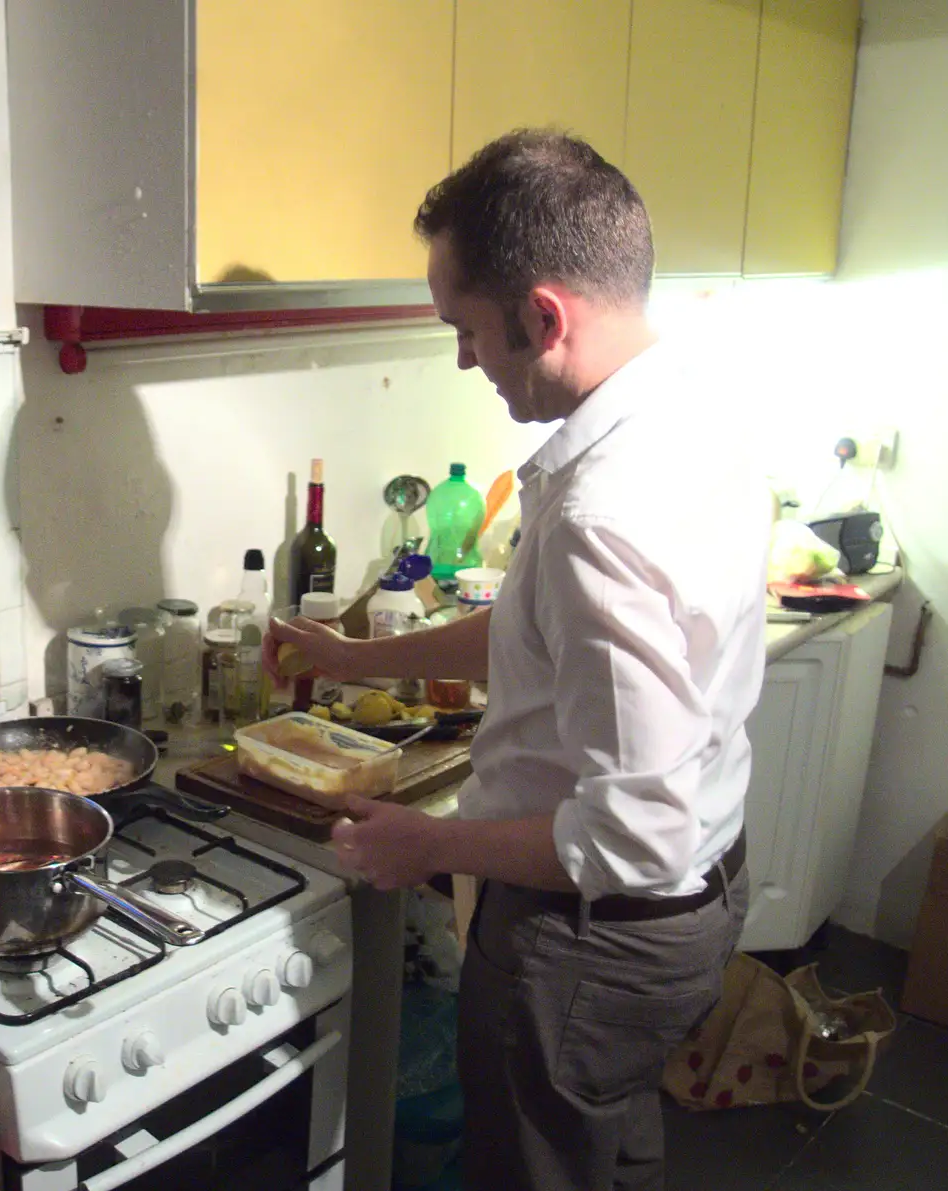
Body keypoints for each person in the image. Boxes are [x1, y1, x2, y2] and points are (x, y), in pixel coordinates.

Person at [266, 131, 770, 1190]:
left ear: (543, 316)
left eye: (464, 328)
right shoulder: (688, 408)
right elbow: (536, 632)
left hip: (592, 943)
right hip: (690, 906)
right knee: (605, 1154)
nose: (462, 359)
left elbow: (633, 830)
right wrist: (355, 656)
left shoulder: (600, 510)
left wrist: (428, 846)